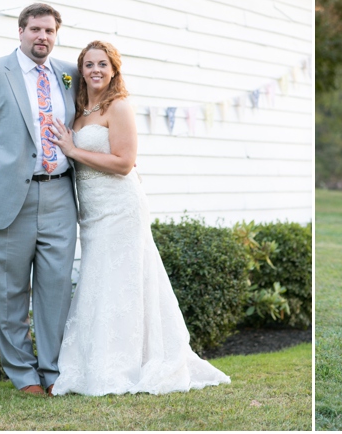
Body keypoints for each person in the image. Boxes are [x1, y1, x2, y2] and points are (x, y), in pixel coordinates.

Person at [47, 40, 230, 396]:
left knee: (124, 280)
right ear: (80, 71)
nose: (95, 70)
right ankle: (95, 360)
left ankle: (125, 362)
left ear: (114, 69)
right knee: (100, 280)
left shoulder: (119, 106)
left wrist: (73, 150)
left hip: (120, 206)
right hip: (93, 210)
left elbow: (124, 163)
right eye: (88, 65)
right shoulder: (81, 110)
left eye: (102, 64)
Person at [0, 3, 79, 396]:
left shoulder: (70, 74)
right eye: (35, 29)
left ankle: (54, 370)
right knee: (8, 293)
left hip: (60, 192)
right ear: (21, 31)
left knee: (57, 288)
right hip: (4, 199)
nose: (42, 37)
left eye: (49, 31)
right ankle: (24, 375)